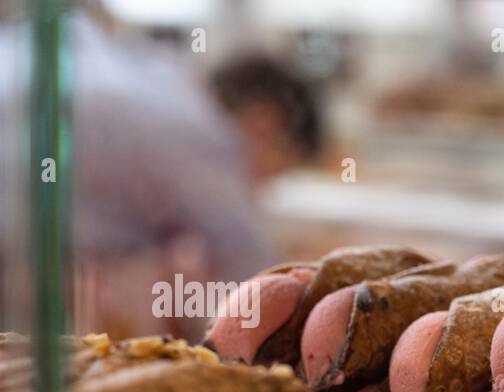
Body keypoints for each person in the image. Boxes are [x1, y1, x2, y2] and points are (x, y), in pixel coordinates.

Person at [24, 13, 322, 340]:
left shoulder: (163, 84)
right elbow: (253, 277)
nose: (259, 190)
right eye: (273, 172)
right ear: (266, 124)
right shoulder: (205, 138)